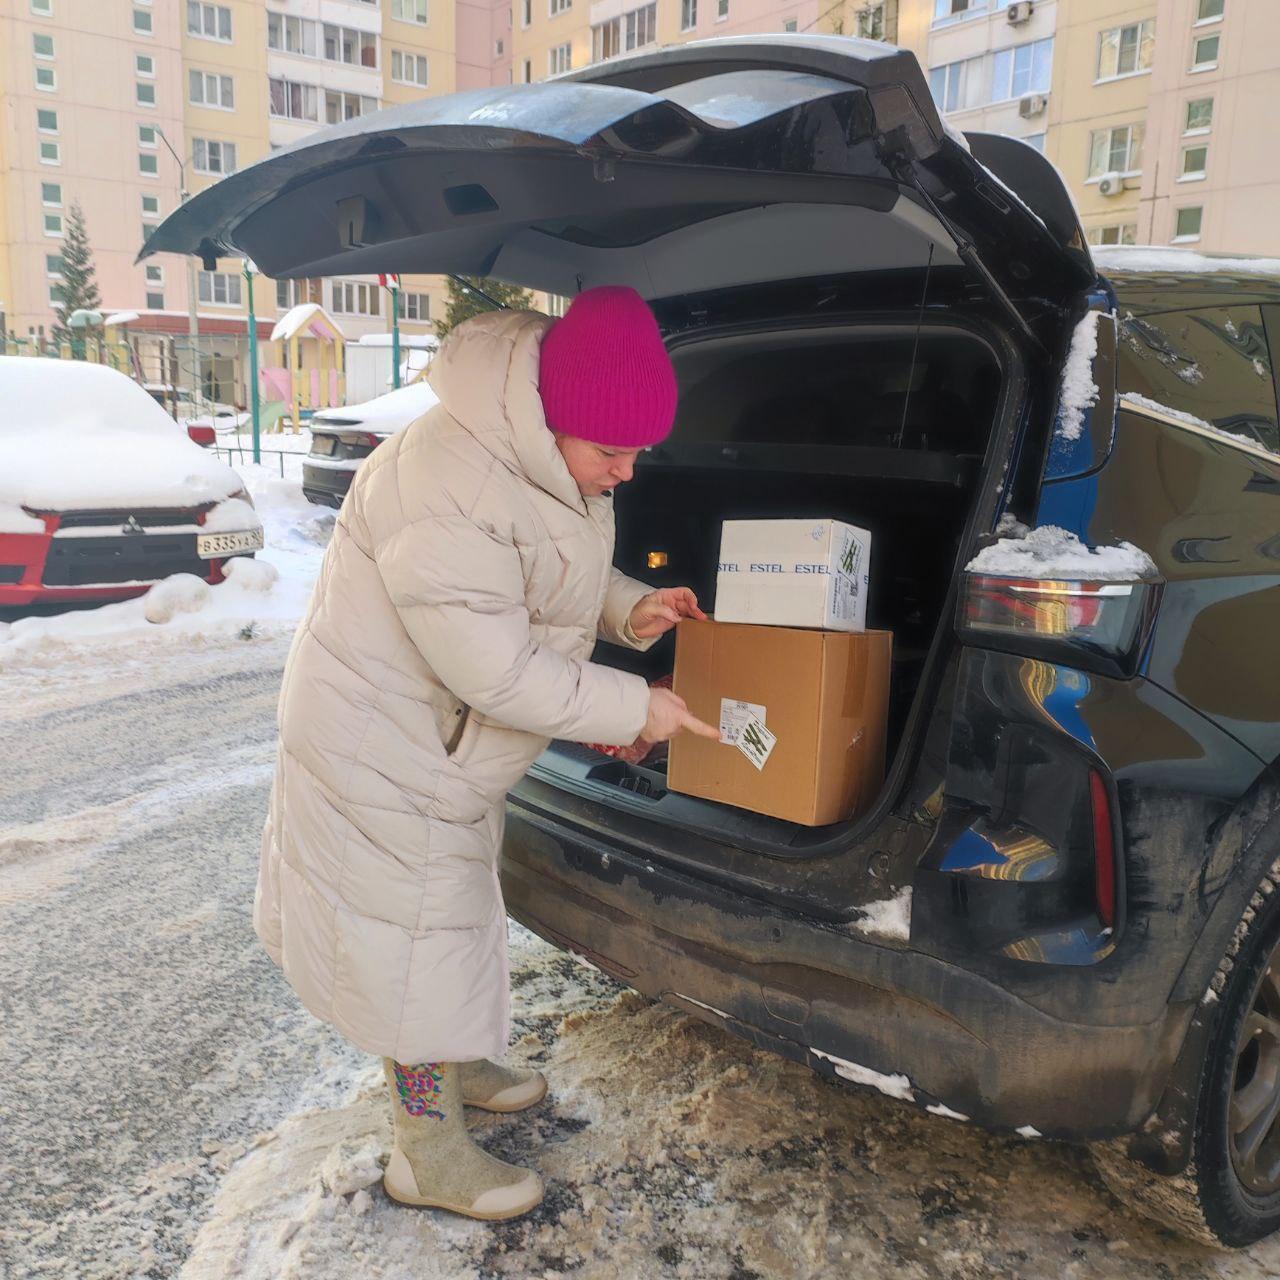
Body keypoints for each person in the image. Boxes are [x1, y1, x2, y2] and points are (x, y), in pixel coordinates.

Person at [254, 285, 719, 1222]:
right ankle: (423, 1151)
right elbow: (498, 668)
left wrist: (630, 606)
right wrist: (639, 704)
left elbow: (538, 569)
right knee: (410, 943)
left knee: (449, 916)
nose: (628, 473)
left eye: (640, 453)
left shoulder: (535, 460)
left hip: (440, 746)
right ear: (552, 420)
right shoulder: (449, 483)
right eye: (613, 452)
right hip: (382, 749)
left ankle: (453, 1061)